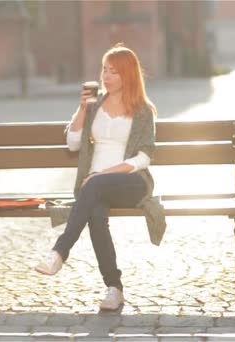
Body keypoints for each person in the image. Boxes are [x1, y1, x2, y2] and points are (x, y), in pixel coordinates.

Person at [34, 44, 164, 311]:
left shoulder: (142, 109)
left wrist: (103, 174)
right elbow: (72, 144)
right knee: (95, 213)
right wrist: (82, 109)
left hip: (131, 181)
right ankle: (114, 289)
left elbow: (144, 157)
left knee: (93, 186)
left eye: (114, 72)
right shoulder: (95, 105)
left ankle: (59, 253)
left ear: (128, 75)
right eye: (105, 69)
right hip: (94, 187)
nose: (106, 76)